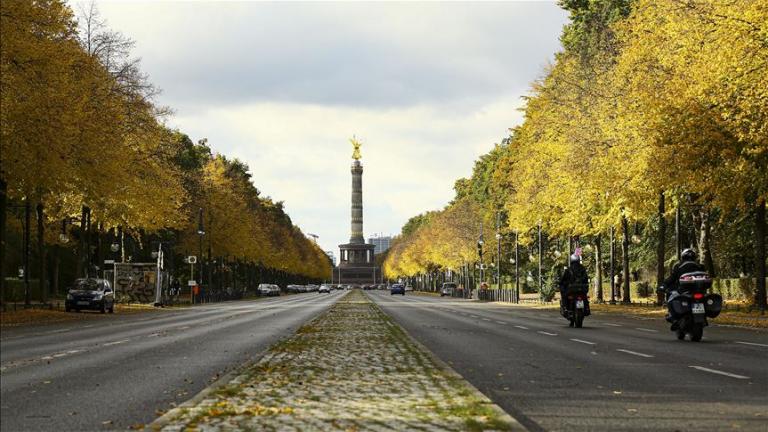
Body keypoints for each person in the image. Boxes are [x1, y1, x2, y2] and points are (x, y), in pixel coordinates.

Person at [661, 248, 705, 328]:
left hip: (684, 290)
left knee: (671, 299)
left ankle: (674, 318)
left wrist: (664, 285)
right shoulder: (700, 266)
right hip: (699, 290)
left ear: (683, 256)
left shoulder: (679, 266)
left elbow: (672, 278)